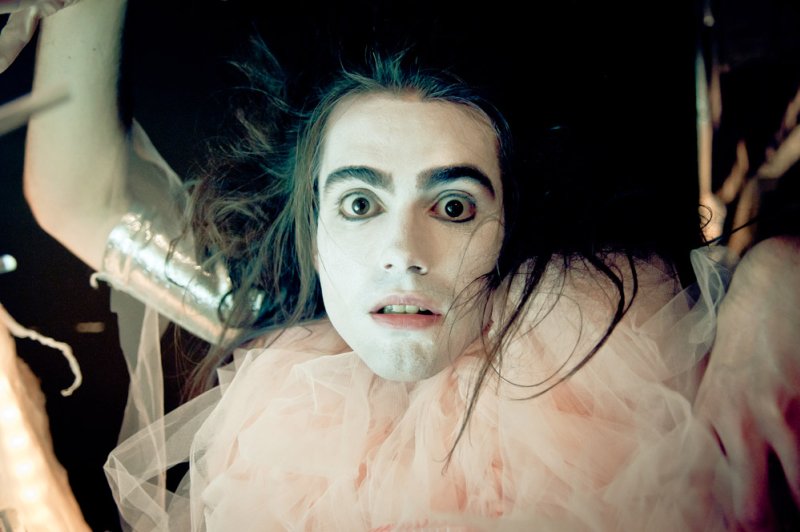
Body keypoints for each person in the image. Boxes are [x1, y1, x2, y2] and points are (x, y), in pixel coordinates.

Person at [3, 0, 799, 530]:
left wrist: (776, 274)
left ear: (510, 225)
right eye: (358, 203)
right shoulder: (284, 371)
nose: (404, 256)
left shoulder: (633, 372)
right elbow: (79, 197)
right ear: (312, 230)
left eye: (453, 206)